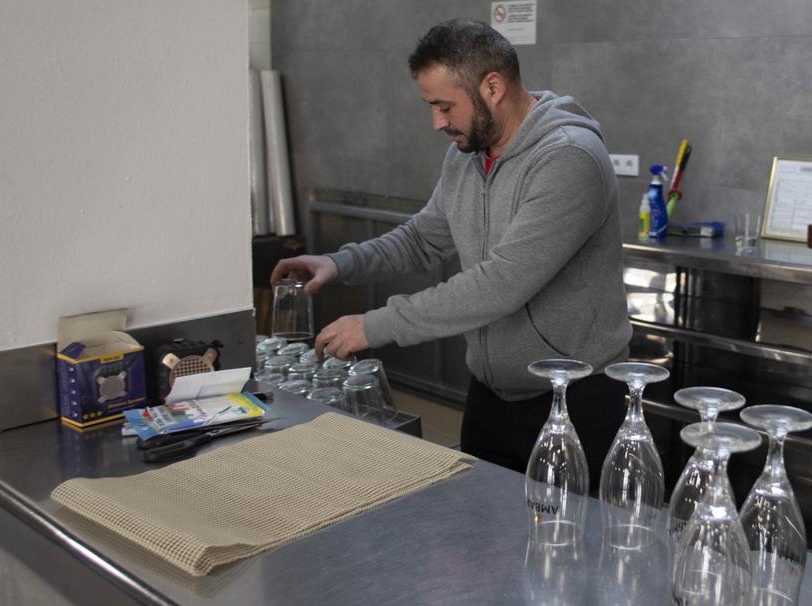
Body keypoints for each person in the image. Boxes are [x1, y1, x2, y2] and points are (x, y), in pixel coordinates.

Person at [270, 18, 632, 491]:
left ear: (493, 87)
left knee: (567, 549)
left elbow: (501, 283)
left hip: (574, 398)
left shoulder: (569, 158)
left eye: (444, 106)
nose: (437, 122)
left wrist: (373, 325)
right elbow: (423, 238)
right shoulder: (466, 155)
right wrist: (340, 263)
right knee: (482, 539)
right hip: (490, 392)